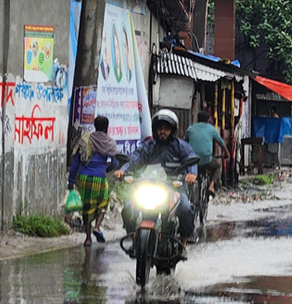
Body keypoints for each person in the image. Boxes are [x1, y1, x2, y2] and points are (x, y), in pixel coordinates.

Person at [114, 109, 198, 257]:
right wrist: (123, 170)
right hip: (149, 187)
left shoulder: (181, 146)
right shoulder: (148, 146)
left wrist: (191, 174)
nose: (163, 132)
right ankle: (134, 239)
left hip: (175, 187)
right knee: (128, 208)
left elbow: (190, 159)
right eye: (160, 128)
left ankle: (183, 245)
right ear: (155, 130)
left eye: (166, 128)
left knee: (185, 208)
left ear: (173, 130)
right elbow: (134, 159)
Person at [68, 115, 120, 247]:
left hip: (84, 178)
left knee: (86, 208)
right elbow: (115, 162)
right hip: (100, 178)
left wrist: (71, 180)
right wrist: (105, 169)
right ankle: (97, 227)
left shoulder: (86, 140)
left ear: (95, 126)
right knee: (103, 204)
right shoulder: (109, 142)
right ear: (106, 127)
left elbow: (76, 162)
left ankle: (87, 238)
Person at [185, 110, 227, 195]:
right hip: (206, 160)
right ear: (208, 120)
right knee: (217, 166)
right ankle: (211, 185)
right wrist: (226, 153)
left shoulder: (190, 129)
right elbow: (221, 142)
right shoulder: (211, 129)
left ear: (197, 119)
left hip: (192, 161)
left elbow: (184, 142)